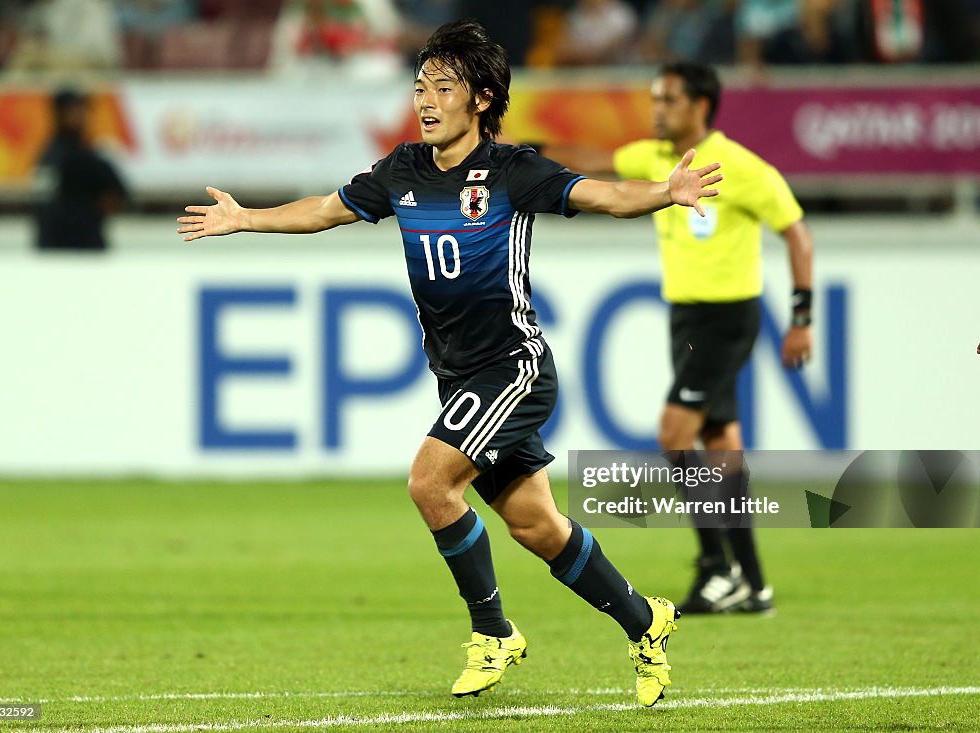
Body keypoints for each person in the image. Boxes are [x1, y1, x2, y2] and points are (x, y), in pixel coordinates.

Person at [178, 20, 721, 705]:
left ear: (484, 98)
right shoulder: (402, 170)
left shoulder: (513, 171)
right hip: (462, 377)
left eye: (443, 87)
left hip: (513, 368)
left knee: (430, 482)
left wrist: (663, 192)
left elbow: (603, 195)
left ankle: (494, 632)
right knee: (536, 526)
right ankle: (648, 620)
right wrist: (246, 218)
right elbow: (324, 210)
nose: (425, 100)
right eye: (419, 87)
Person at [540, 62, 814, 615]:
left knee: (673, 432)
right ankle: (753, 584)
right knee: (721, 451)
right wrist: (519, 151)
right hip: (686, 321)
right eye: (654, 98)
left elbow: (797, 235)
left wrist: (801, 317)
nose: (656, 108)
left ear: (699, 106)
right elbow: (592, 161)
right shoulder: (653, 157)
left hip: (727, 319)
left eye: (667, 99)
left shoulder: (741, 167)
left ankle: (716, 566)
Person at [34, 88, 128, 251]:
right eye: (73, 110)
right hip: (54, 244)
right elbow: (42, 203)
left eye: (82, 109)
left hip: (87, 243)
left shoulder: (90, 155)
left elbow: (117, 192)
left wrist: (92, 215)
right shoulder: (51, 156)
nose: (80, 115)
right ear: (59, 113)